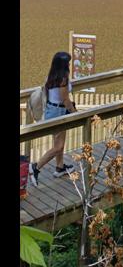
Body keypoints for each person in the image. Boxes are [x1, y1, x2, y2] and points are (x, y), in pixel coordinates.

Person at [29, 52, 77, 186]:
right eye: (67, 62)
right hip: (58, 112)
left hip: (52, 110)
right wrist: (75, 113)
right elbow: (65, 100)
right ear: (63, 65)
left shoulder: (51, 76)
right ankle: (35, 167)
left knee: (59, 142)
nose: (69, 64)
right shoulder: (63, 79)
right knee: (58, 146)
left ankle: (59, 167)